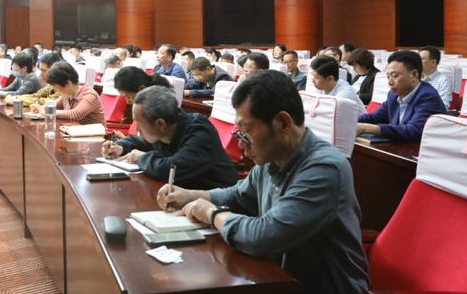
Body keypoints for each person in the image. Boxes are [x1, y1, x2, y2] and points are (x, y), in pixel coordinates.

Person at [157, 69, 370, 294]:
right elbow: (239, 196)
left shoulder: (324, 168)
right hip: (280, 279)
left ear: (283, 123)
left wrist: (212, 213)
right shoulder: (271, 158)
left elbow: (266, 236)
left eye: (246, 132)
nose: (240, 144)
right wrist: (192, 196)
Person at [102, 85, 238, 189]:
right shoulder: (165, 129)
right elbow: (142, 142)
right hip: (185, 197)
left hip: (218, 205)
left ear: (160, 124)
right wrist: (121, 146)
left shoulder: (200, 131)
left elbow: (169, 169)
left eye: (139, 124)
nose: (136, 129)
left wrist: (141, 157)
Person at [357, 50, 447, 141]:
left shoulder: (428, 97)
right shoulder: (393, 95)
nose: (389, 82)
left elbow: (413, 131)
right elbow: (374, 117)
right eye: (388, 77)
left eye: (395, 76)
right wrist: (352, 121)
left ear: (414, 75)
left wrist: (366, 128)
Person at [30, 61, 105, 124]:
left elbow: (75, 114)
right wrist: (40, 108)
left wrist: (47, 111)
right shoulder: (66, 95)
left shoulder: (89, 95)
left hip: (93, 135)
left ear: (68, 83)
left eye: (56, 87)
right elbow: (54, 105)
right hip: (75, 132)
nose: (55, 90)